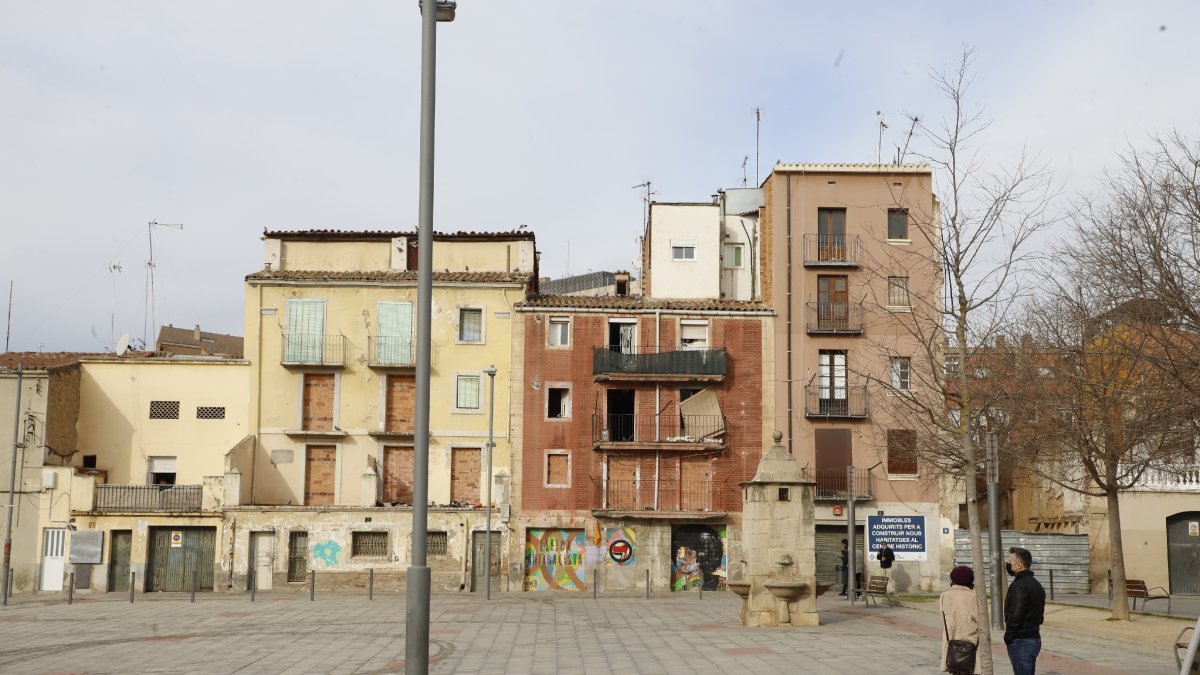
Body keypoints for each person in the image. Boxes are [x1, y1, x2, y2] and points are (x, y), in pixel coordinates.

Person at [1004, 546, 1045, 675]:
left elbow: (1015, 615)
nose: (1008, 565)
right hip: (1033, 638)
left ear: (1019, 565)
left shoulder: (1019, 585)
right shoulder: (1036, 584)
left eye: (1010, 562)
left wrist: (1009, 636)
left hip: (1021, 640)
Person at [940, 566, 981, 674]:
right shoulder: (974, 597)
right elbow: (980, 621)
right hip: (971, 644)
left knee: (954, 670)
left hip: (951, 644)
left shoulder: (944, 596)